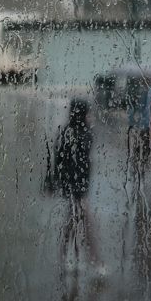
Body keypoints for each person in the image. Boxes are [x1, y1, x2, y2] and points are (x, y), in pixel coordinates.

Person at [51, 98, 103, 275]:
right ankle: (95, 262)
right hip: (77, 185)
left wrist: (53, 180)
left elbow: (57, 158)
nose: (90, 116)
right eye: (88, 112)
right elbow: (65, 160)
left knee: (72, 222)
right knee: (85, 222)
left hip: (73, 183)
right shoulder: (84, 133)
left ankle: (66, 257)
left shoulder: (68, 131)